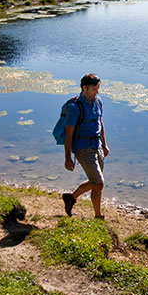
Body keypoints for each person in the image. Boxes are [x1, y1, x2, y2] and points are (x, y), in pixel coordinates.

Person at [61, 73, 108, 218]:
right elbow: (69, 134)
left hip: (97, 146)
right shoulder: (74, 107)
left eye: (98, 88)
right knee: (98, 182)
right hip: (83, 147)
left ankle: (97, 216)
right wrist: (68, 157)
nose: (97, 92)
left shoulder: (98, 101)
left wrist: (105, 145)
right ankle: (73, 197)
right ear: (84, 88)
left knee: (96, 183)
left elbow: (100, 123)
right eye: (94, 89)